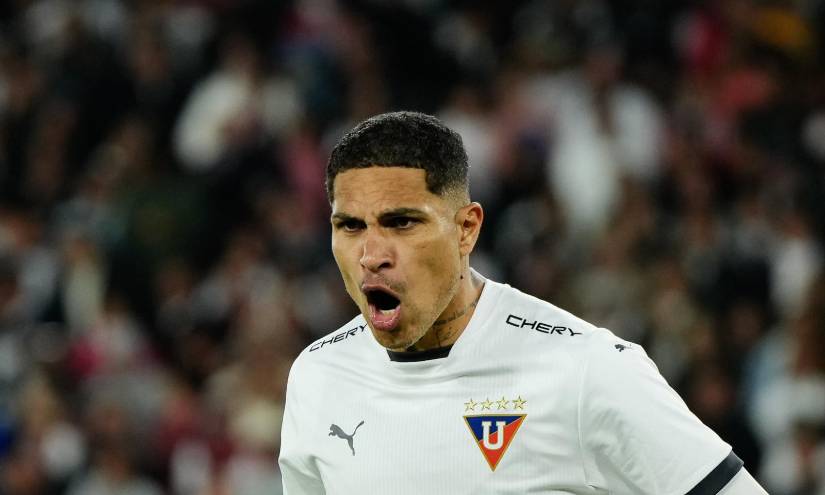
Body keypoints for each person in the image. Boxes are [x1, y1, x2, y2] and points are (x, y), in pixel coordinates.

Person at [278, 111, 768, 494]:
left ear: (466, 228)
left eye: (402, 222)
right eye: (351, 226)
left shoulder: (583, 370)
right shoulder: (318, 377)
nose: (372, 256)